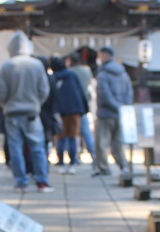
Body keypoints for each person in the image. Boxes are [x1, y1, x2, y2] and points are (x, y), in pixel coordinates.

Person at [0, 31, 53, 192]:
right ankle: (42, 181)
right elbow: (44, 90)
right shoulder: (36, 65)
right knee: (38, 147)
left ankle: (21, 182)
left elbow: (0, 92)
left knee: (16, 148)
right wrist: (36, 103)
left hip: (12, 113)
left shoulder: (7, 66)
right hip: (32, 113)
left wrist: (5, 104)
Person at [92, 46, 133, 178]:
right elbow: (129, 92)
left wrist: (115, 106)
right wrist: (123, 107)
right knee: (118, 142)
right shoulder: (123, 73)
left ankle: (103, 167)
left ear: (105, 55)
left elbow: (104, 94)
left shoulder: (103, 74)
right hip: (120, 113)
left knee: (102, 142)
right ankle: (123, 165)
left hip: (105, 113)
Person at [50, 56, 89, 172]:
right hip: (75, 110)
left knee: (60, 137)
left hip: (59, 111)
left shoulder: (54, 78)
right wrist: (84, 108)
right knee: (73, 137)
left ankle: (61, 162)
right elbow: (81, 92)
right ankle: (73, 162)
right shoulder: (72, 75)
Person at [66, 53, 96, 163]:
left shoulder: (69, 73)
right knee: (86, 132)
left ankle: (75, 157)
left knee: (73, 133)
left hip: (72, 105)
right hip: (84, 104)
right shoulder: (86, 71)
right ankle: (94, 157)